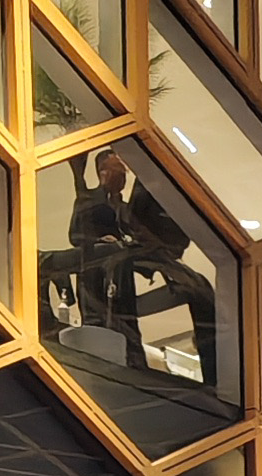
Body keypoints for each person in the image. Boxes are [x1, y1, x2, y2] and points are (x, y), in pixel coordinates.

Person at [70, 150, 219, 391]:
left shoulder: (132, 204)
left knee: (199, 287)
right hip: (105, 268)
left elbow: (154, 236)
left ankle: (214, 371)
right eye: (113, 170)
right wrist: (102, 241)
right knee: (116, 265)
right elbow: (76, 236)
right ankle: (127, 351)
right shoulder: (90, 200)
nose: (120, 176)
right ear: (101, 173)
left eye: (122, 171)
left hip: (138, 259)